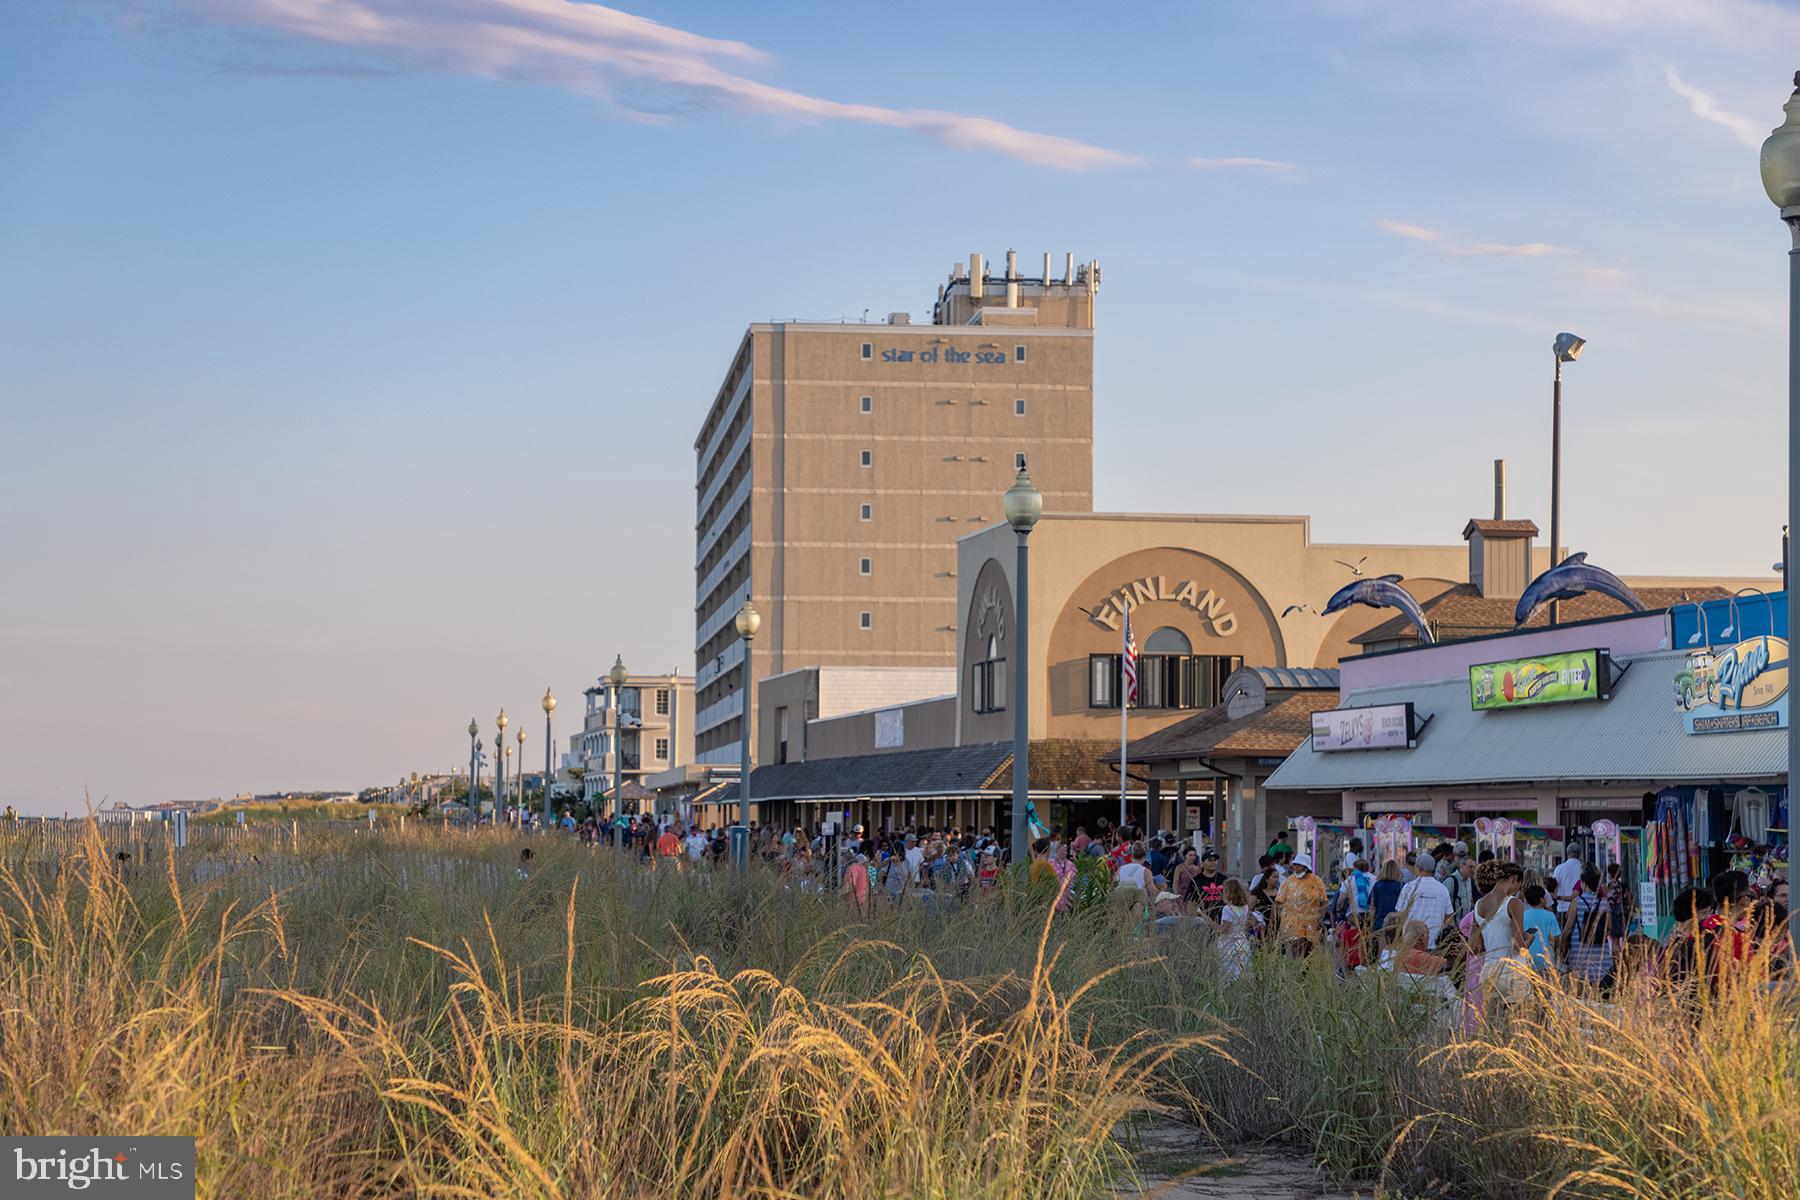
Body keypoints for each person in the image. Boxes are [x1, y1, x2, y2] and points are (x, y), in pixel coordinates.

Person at [1473, 862, 1531, 1011]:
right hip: (1512, 969)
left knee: (1492, 1024)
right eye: (1519, 885)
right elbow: (1519, 946)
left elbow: (1477, 947)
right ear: (1513, 879)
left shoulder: (1478, 905)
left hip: (1488, 970)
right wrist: (1528, 942)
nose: (1518, 890)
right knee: (1517, 1025)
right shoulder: (1513, 903)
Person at [1562, 864, 1613, 990]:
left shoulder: (1576, 902)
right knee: (1596, 991)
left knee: (1579, 989)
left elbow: (1568, 928)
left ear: (1583, 884)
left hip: (1579, 951)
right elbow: (1609, 928)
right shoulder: (1604, 903)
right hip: (1601, 952)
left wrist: (1562, 946)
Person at [1395, 853, 1453, 948]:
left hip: (1411, 943)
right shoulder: (1443, 889)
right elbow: (1449, 919)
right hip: (1436, 943)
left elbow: (1400, 916)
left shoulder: (1408, 888)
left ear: (1418, 868)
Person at [1275, 854, 1328, 955]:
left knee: (1308, 951)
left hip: (1312, 921)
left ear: (1306, 867)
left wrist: (1321, 917)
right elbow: (1279, 901)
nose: (1297, 868)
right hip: (1292, 921)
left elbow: (1324, 901)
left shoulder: (1316, 881)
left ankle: (1305, 970)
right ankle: (1297, 969)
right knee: (1297, 946)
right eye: (1295, 865)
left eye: (1300, 865)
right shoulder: (1288, 882)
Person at [1217, 878, 1261, 979]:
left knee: (1229, 973)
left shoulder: (1227, 909)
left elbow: (1225, 929)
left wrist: (1210, 923)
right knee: (1243, 973)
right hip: (1242, 941)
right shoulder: (1245, 907)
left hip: (1229, 944)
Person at [1521, 884, 1561, 973]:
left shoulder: (1523, 915)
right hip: (1546, 957)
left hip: (1528, 956)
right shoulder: (1550, 915)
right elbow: (1556, 937)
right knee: (1545, 984)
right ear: (1541, 899)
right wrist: (1557, 949)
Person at [1370, 859, 1405, 931]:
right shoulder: (1401, 886)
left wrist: (1371, 925)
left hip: (1380, 922)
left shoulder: (1377, 885)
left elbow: (1372, 907)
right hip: (1396, 922)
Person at [1550, 847, 1584, 917]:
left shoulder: (1560, 868)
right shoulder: (1583, 869)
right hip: (1580, 908)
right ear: (1580, 854)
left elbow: (1553, 884)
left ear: (1567, 853)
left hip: (1562, 907)